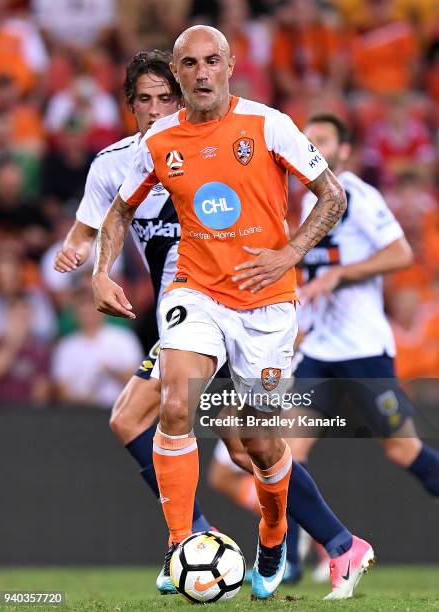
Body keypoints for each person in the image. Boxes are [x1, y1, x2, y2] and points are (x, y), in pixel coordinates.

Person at [58, 45, 373, 601]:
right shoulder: (146, 149)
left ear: (228, 67)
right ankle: (186, 542)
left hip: (265, 301)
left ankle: (293, 537)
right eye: (188, 65)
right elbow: (114, 212)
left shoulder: (268, 124)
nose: (199, 74)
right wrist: (99, 271)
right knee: (165, 405)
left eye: (211, 62)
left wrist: (289, 253)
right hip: (193, 296)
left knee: (252, 441)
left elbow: (332, 195)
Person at [54, 49, 213, 594]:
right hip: (178, 317)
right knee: (133, 420)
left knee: (247, 444)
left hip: (225, 305)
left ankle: (209, 540)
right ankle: (197, 538)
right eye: (143, 100)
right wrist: (76, 252)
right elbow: (88, 225)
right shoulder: (114, 163)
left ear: (184, 97)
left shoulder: (213, 146)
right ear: (129, 106)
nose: (154, 109)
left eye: (165, 97)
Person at [285, 112, 439, 573]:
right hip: (320, 350)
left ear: (344, 150)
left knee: (402, 449)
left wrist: (341, 274)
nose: (314, 146)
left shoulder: (358, 195)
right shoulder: (302, 203)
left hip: (363, 350)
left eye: (324, 139)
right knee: (285, 453)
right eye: (307, 140)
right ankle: (286, 562)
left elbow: (401, 253)